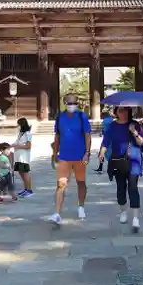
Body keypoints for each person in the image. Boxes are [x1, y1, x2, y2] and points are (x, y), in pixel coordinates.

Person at [99, 107, 143, 232]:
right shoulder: (112, 126)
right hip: (118, 161)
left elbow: (141, 143)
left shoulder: (135, 124)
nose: (123, 112)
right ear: (116, 112)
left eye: (125, 110)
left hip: (134, 160)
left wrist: (134, 132)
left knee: (133, 188)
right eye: (120, 110)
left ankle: (135, 218)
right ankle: (123, 211)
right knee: (121, 188)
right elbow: (106, 141)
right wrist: (102, 153)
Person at [51, 93, 92, 225]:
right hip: (64, 156)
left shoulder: (82, 116)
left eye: (75, 103)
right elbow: (57, 136)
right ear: (65, 103)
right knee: (61, 184)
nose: (72, 105)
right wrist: (54, 153)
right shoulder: (60, 117)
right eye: (70, 103)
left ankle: (81, 206)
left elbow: (87, 135)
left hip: (80, 156)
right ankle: (57, 213)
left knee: (81, 182)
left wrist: (87, 152)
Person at [12, 117, 33, 197]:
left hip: (24, 157)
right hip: (18, 157)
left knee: (25, 174)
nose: (18, 126)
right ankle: (25, 189)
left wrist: (18, 146)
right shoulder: (21, 133)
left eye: (19, 125)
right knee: (21, 173)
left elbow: (28, 146)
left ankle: (29, 190)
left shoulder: (28, 134)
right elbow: (17, 142)